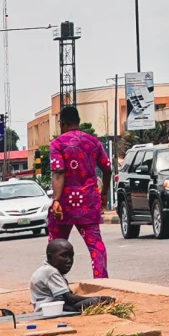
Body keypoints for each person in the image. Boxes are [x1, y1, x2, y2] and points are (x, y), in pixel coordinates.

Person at [45, 106, 111, 281]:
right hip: (88, 201)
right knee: (96, 245)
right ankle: (101, 281)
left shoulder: (57, 144)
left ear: (62, 123)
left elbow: (58, 172)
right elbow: (107, 169)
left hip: (65, 203)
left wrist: (56, 200)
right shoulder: (93, 142)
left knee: (55, 245)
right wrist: (103, 193)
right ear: (79, 122)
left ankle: (54, 282)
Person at [30, 237, 114, 316]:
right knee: (96, 301)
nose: (69, 260)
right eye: (64, 256)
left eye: (71, 256)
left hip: (53, 307)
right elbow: (69, 298)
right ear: (50, 257)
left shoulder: (52, 270)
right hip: (49, 310)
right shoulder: (50, 272)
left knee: (94, 302)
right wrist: (99, 298)